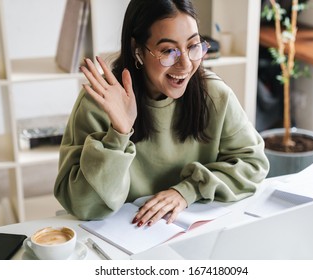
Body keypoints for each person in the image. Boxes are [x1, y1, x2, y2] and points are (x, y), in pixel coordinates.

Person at [54, 0, 269, 227]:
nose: (185, 64)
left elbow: (254, 164)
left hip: (192, 231)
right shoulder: (100, 103)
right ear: (138, 51)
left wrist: (188, 191)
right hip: (125, 236)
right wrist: (119, 133)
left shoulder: (215, 95)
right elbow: (83, 206)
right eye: (168, 51)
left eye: (193, 46)